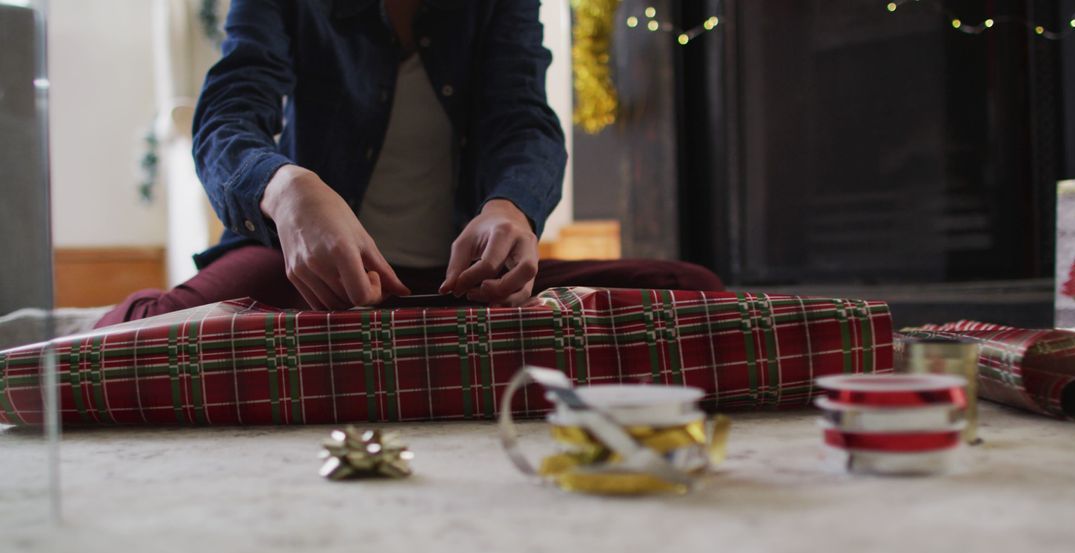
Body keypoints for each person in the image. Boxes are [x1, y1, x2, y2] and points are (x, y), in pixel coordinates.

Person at [97, 0, 722, 328]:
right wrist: (286, 188)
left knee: (695, 290)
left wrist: (512, 209)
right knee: (137, 334)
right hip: (305, 279)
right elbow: (227, 115)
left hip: (466, 286)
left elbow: (524, 119)